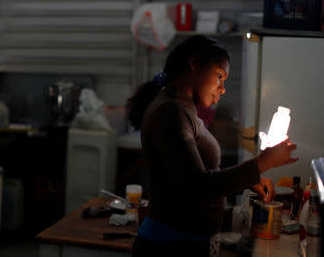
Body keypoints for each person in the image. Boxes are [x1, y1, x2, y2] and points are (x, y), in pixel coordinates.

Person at [126, 35, 298, 257]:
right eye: (219, 76)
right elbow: (199, 185)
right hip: (170, 246)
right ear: (193, 64)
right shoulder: (170, 112)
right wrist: (263, 162)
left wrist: (247, 180)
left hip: (185, 243)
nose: (222, 88)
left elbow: (199, 176)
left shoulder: (183, 110)